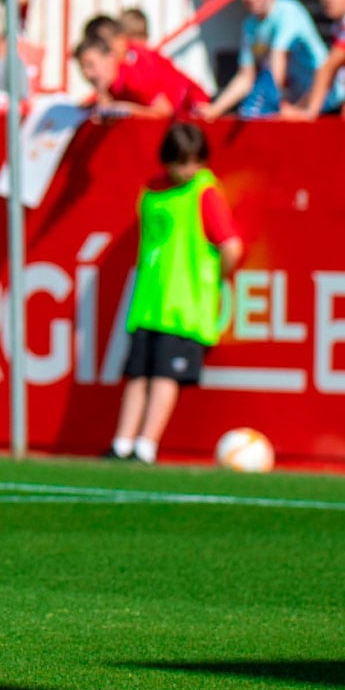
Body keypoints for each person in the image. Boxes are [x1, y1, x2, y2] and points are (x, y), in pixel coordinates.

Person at [109, 122, 243, 464]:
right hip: (149, 302)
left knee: (165, 376)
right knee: (138, 374)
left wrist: (211, 282)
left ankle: (145, 446)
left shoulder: (204, 191)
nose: (189, 170)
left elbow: (230, 245)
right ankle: (122, 443)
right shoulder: (151, 192)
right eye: (182, 162)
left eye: (195, 162)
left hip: (184, 306)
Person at [203, 0, 339, 120]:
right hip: (296, 106)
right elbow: (245, 77)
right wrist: (214, 110)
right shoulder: (250, 25)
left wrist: (279, 103)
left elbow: (278, 58)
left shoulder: (288, 10)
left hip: (326, 103)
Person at [74, 18, 208, 118]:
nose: (87, 73)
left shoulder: (136, 70)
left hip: (192, 112)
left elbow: (164, 111)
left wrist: (122, 110)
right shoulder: (123, 66)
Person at [288, 0, 345, 121]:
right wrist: (298, 108)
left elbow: (327, 68)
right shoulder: (338, 26)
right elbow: (328, 76)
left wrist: (308, 114)